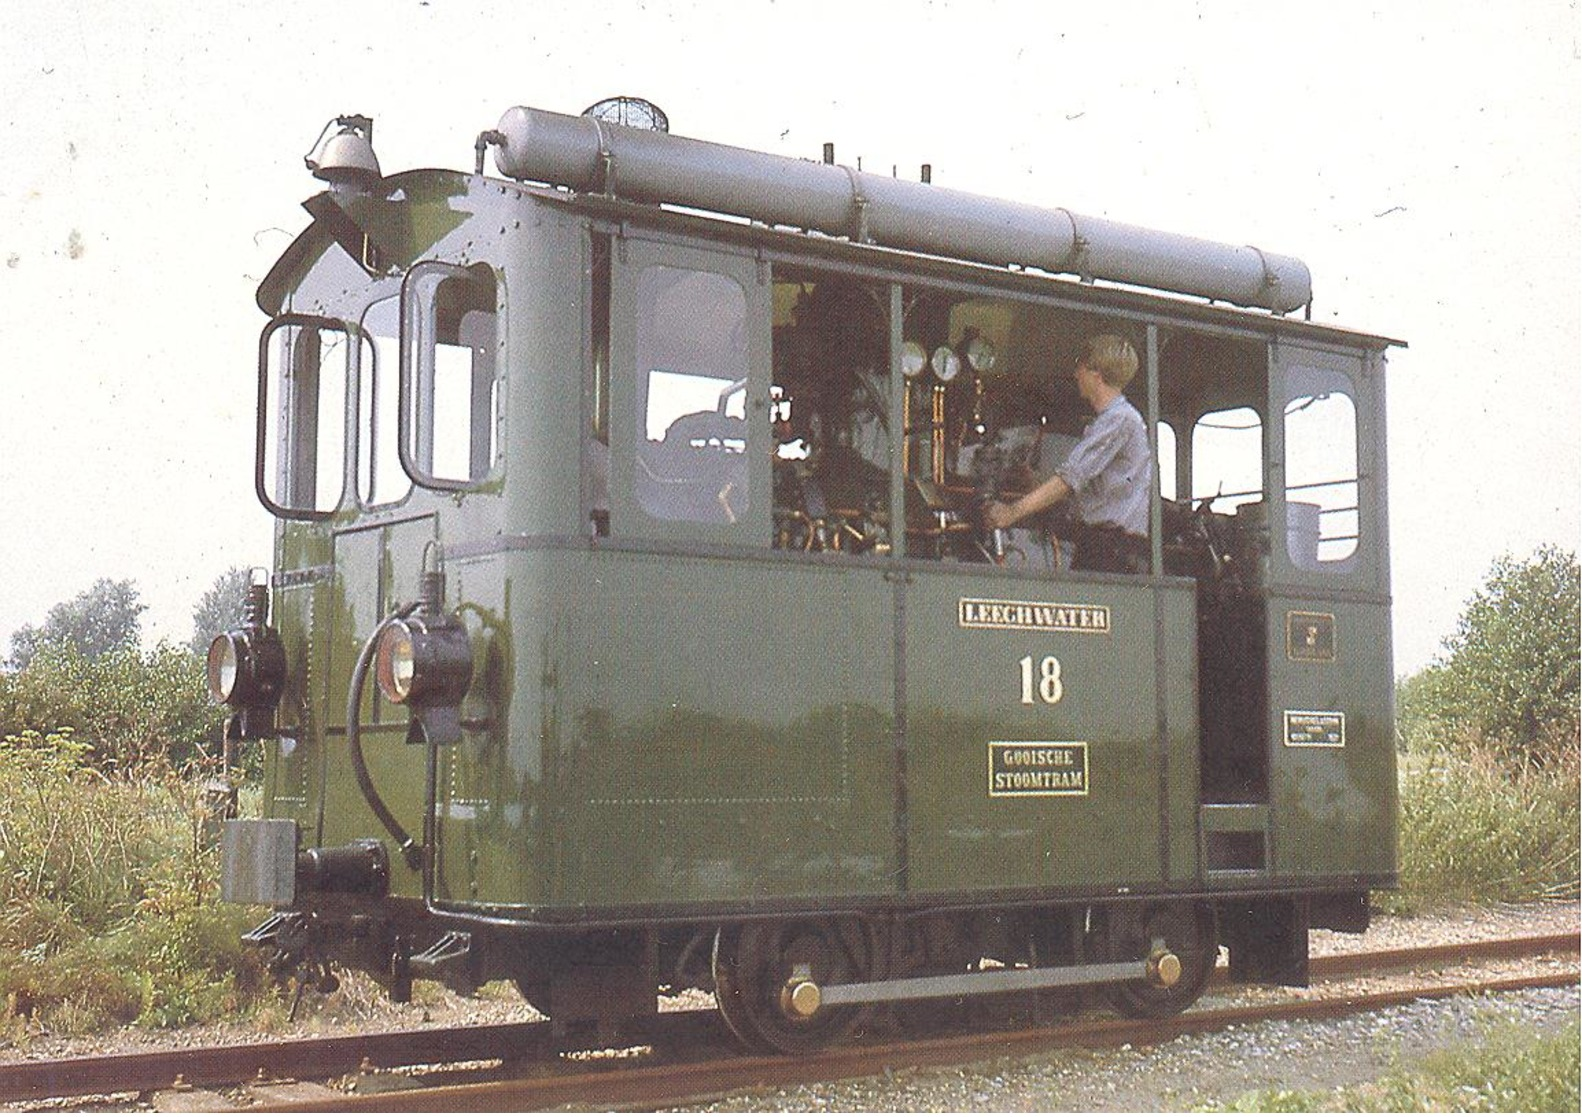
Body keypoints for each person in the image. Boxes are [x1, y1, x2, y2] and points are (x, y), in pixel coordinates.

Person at [984, 334, 1152, 574]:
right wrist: (1035, 484)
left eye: (1080, 369)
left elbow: (1070, 479)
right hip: (1099, 546)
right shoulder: (1111, 421)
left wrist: (1012, 512)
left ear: (1096, 376)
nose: (1076, 375)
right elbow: (1086, 491)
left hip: (1112, 552)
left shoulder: (1119, 420)